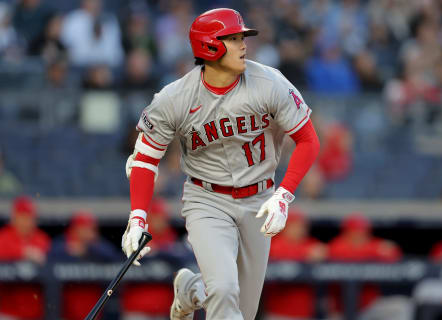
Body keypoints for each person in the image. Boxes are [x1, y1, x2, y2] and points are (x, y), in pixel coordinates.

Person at [121, 8, 320, 320]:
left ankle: (192, 290)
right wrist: (137, 218)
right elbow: (145, 159)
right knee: (225, 292)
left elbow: (309, 140)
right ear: (209, 46)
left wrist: (284, 196)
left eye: (243, 38)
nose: (244, 45)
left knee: (242, 308)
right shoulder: (175, 98)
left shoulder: (269, 83)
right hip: (207, 198)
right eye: (234, 38)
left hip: (259, 198)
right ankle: (207, 290)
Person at [327, 212, 402, 318]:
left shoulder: (372, 243)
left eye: (363, 231)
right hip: (340, 310)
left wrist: (373, 250)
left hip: (369, 306)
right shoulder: (337, 245)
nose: (360, 235)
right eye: (355, 231)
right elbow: (342, 254)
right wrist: (375, 251)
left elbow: (394, 253)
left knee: (400, 306)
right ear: (346, 232)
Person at [48, 210, 120, 320]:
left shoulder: (97, 247)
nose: (88, 232)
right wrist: (71, 251)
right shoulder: (61, 245)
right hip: (66, 310)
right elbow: (50, 256)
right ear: (75, 228)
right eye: (84, 228)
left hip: (93, 310)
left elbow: (113, 256)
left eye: (90, 228)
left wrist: (89, 247)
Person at [121, 198, 180, 320]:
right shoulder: (135, 237)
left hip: (163, 310)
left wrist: (159, 251)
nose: (160, 221)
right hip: (137, 309)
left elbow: (181, 257)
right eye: (156, 217)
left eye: (162, 218)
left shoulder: (170, 238)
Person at [263, 208, 327, 320]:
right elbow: (277, 254)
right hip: (278, 313)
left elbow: (326, 251)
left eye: (302, 226)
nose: (299, 229)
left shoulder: (311, 243)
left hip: (306, 313)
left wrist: (323, 252)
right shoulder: (275, 243)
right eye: (295, 225)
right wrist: (305, 254)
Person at [0, 196, 50, 320]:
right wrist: (24, 253)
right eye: (22, 216)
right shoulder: (4, 236)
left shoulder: (41, 238)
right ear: (14, 217)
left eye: (29, 217)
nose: (26, 221)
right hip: (8, 312)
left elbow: (48, 258)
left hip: (37, 313)